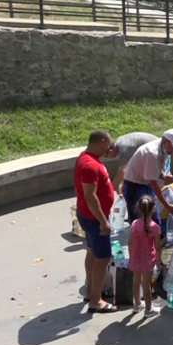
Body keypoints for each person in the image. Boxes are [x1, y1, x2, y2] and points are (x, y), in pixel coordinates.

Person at [74, 129, 118, 313]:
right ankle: (96, 301)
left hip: (90, 216)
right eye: (108, 145)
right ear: (102, 142)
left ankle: (91, 290)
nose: (109, 149)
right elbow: (90, 197)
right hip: (94, 219)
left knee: (92, 251)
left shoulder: (87, 159)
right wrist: (103, 221)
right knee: (103, 257)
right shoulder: (89, 166)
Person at [121, 129, 173, 226]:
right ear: (164, 141)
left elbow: (155, 169)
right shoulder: (151, 154)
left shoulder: (164, 149)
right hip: (134, 187)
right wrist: (167, 206)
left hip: (145, 184)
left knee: (154, 221)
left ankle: (154, 235)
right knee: (138, 222)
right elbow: (153, 183)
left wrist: (163, 175)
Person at [128, 195, 163, 316]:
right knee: (146, 284)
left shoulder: (134, 224)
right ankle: (149, 309)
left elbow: (130, 242)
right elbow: (157, 247)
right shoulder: (155, 227)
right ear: (154, 209)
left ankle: (137, 304)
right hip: (148, 260)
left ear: (138, 208)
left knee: (136, 280)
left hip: (135, 258)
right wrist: (158, 262)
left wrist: (131, 256)